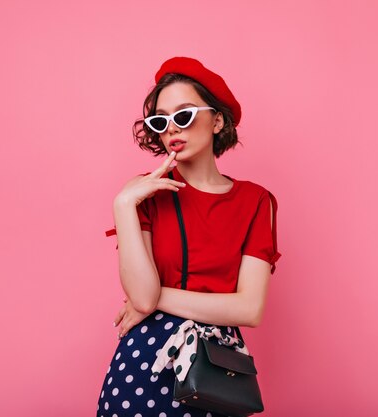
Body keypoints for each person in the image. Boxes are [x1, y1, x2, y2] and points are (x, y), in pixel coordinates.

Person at [96, 57, 281, 417]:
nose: (172, 130)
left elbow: (249, 309)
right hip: (143, 363)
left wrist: (152, 299)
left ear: (217, 120)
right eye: (161, 121)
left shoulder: (255, 200)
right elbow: (141, 295)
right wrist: (123, 204)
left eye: (184, 115)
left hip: (214, 367)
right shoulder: (144, 194)